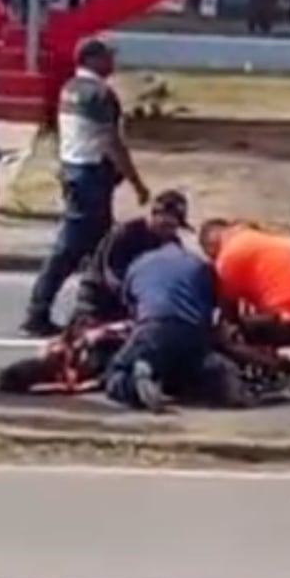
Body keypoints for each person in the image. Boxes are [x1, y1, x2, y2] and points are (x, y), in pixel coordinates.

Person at [22, 38, 150, 337]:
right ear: (92, 59)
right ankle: (38, 311)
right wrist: (136, 182)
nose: (112, 62)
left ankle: (95, 311)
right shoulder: (101, 95)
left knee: (100, 248)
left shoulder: (69, 88)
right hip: (91, 175)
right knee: (72, 249)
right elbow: (111, 143)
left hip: (73, 170)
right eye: (107, 56)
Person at [102, 241, 245, 412]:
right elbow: (213, 303)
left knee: (117, 370)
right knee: (187, 370)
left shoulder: (138, 264)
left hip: (155, 325)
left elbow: (132, 308)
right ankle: (218, 377)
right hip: (194, 329)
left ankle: (135, 384)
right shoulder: (199, 264)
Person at [199, 219, 290, 349]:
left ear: (211, 245)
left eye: (211, 256)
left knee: (223, 336)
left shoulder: (228, 256)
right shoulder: (256, 238)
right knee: (252, 322)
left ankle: (275, 365)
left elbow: (228, 312)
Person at [69, 189, 191, 329]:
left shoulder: (171, 244)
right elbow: (112, 277)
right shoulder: (125, 234)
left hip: (139, 306)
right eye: (166, 225)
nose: (169, 231)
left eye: (174, 227)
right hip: (99, 301)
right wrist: (141, 298)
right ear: (154, 215)